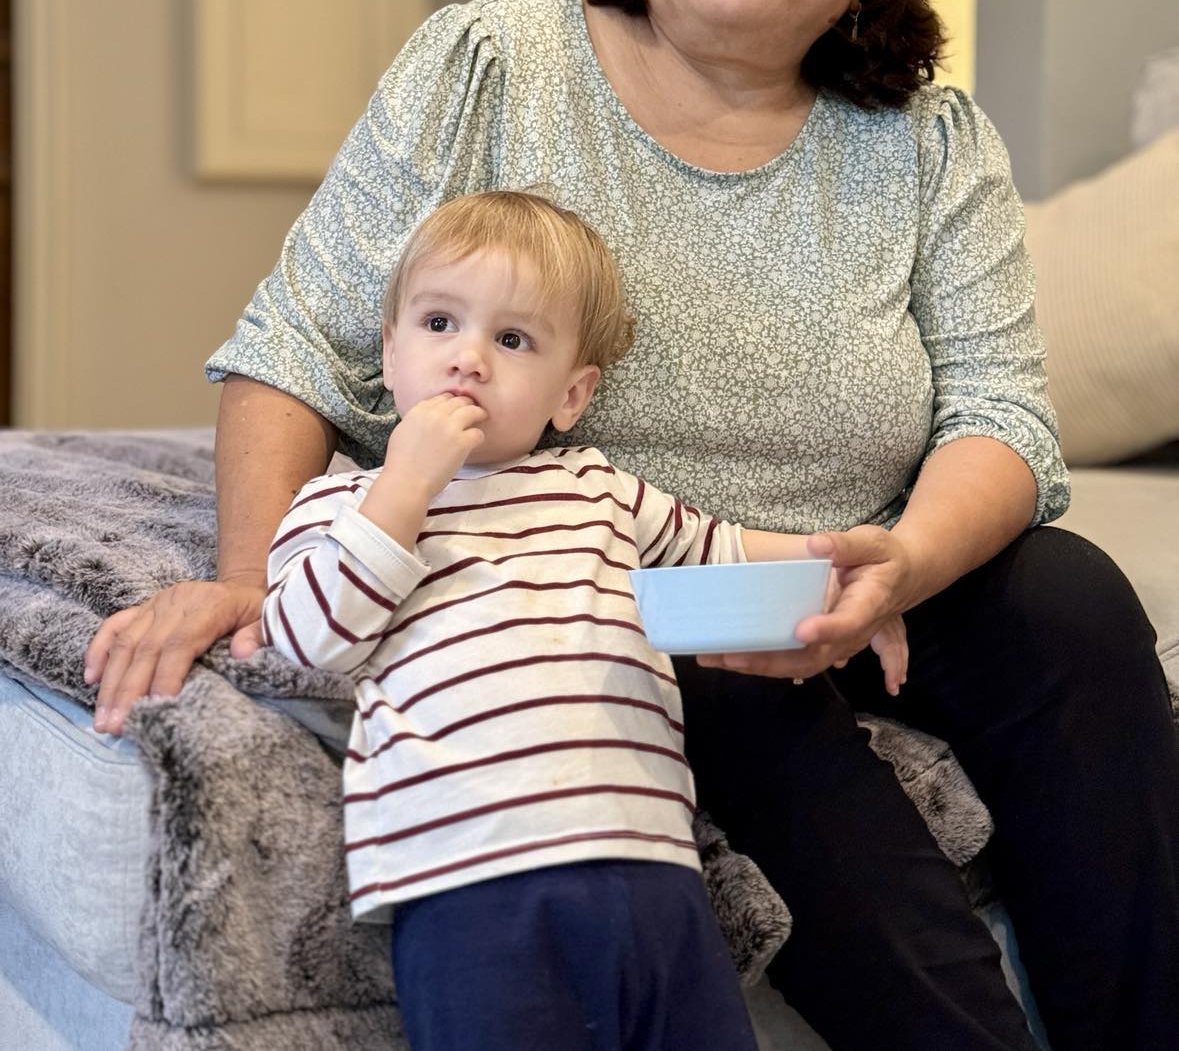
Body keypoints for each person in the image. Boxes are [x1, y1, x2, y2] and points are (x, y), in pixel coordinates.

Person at [86, 0, 1179, 1051]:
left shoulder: (925, 142)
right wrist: (256, 580)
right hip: (613, 579)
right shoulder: (490, 63)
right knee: (715, 677)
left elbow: (999, 414)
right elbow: (292, 344)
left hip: (847, 558)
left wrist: (894, 562)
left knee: (1068, 598)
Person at [264, 189, 907, 1051]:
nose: (468, 360)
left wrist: (841, 572)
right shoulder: (342, 504)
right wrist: (403, 489)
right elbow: (307, 640)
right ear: (388, 352)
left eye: (512, 339)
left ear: (571, 393)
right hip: (467, 875)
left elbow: (719, 548)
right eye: (438, 323)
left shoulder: (595, 485)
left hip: (650, 867)